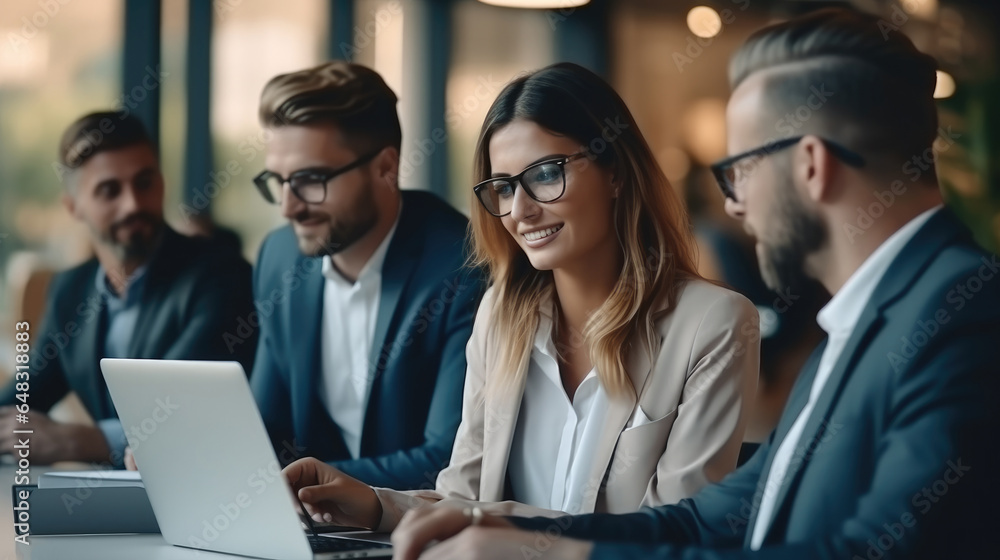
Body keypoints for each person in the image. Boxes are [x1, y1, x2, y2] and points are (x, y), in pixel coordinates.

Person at [384, 8, 1000, 560]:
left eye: (739, 171)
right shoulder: (864, 324)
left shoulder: (962, 316)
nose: (733, 208)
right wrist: (516, 539)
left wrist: (558, 557)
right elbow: (710, 520)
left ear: (810, 166)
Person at [282, 62, 760, 531]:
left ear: (615, 172)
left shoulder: (713, 323)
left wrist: (495, 524)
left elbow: (672, 533)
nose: (521, 210)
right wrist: (375, 505)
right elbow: (461, 500)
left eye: (547, 174)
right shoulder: (499, 316)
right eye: (504, 187)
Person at [247, 61, 485, 489]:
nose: (288, 208)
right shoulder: (279, 259)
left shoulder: (464, 265)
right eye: (278, 181)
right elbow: (266, 426)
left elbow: (448, 459)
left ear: (385, 168)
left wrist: (297, 485)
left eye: (310, 180)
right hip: (312, 532)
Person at [0, 111, 256, 467]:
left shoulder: (222, 275)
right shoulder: (70, 289)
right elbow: (21, 399)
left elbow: (184, 415)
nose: (133, 203)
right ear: (73, 207)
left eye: (145, 182)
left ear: (163, 183)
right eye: (109, 190)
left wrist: (80, 442)